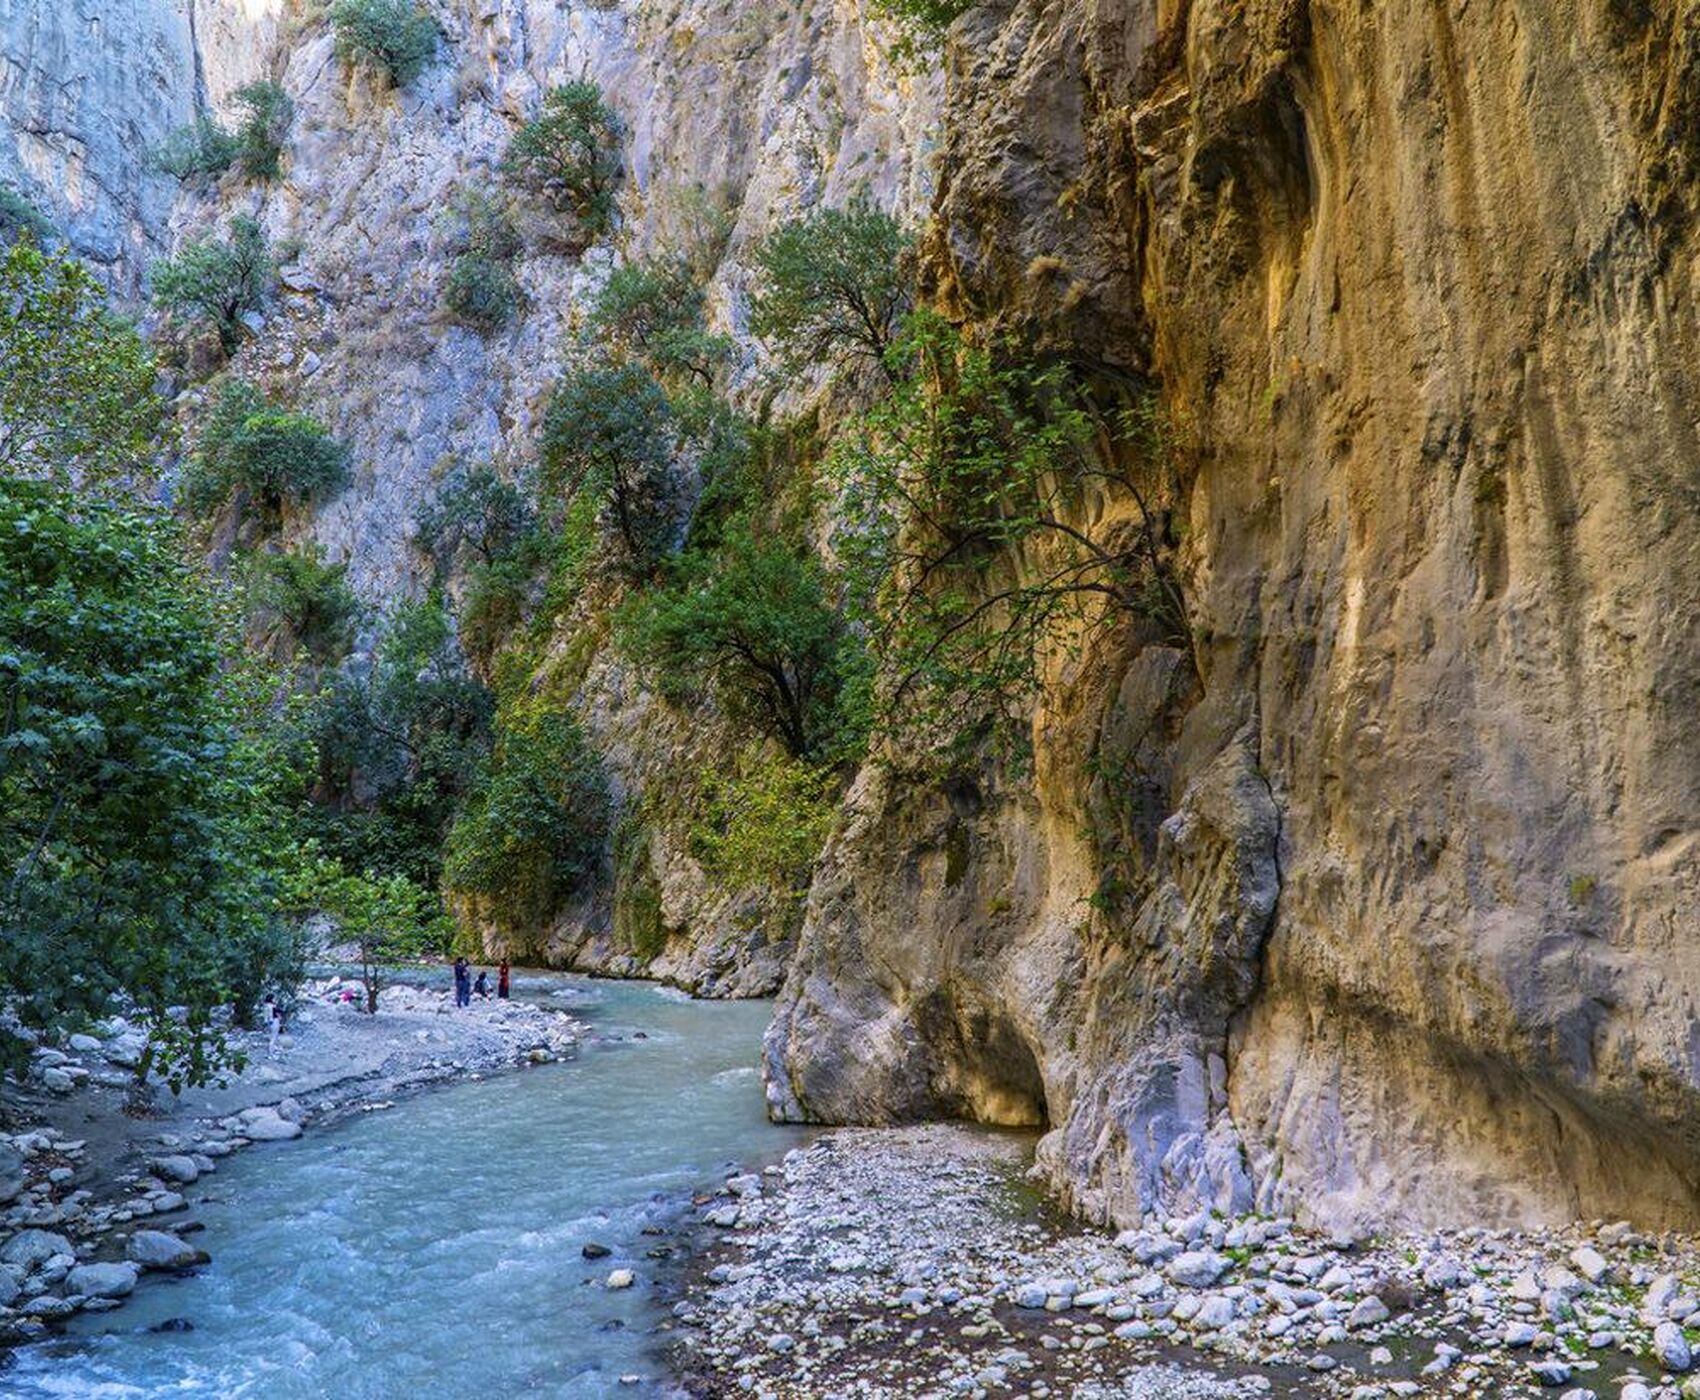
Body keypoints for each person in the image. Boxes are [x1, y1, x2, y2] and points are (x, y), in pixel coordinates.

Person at [263, 994, 283, 1059]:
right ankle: (271, 1053)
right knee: (273, 1038)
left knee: (273, 1037)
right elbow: (274, 1015)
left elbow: (266, 1017)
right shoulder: (272, 1006)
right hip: (274, 1022)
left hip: (271, 1023)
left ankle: (272, 1051)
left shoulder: (266, 1006)